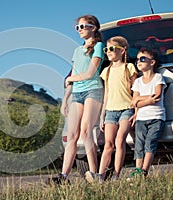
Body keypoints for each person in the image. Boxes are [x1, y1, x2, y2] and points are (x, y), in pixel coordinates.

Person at [51, 14, 104, 184]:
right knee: (72, 135)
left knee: (86, 132)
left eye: (83, 26)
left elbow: (90, 74)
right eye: (78, 27)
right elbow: (73, 73)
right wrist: (65, 99)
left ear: (93, 28)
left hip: (92, 91)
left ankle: (94, 174)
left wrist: (71, 80)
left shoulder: (99, 46)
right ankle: (64, 176)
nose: (80, 30)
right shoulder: (76, 50)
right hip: (77, 94)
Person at [86, 36, 138, 183]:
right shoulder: (106, 71)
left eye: (111, 49)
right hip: (111, 111)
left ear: (122, 51)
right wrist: (102, 115)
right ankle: (100, 175)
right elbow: (107, 94)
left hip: (126, 109)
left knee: (119, 140)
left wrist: (136, 110)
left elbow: (136, 91)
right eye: (106, 49)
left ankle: (116, 174)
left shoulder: (129, 68)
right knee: (108, 144)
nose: (108, 52)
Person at [128, 48, 166, 179]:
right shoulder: (137, 81)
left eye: (142, 59)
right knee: (139, 145)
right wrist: (147, 100)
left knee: (150, 142)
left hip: (156, 117)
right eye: (137, 59)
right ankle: (137, 169)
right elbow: (134, 102)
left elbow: (157, 96)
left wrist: (141, 99)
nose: (138, 61)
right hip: (141, 118)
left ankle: (144, 170)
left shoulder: (158, 77)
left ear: (152, 62)